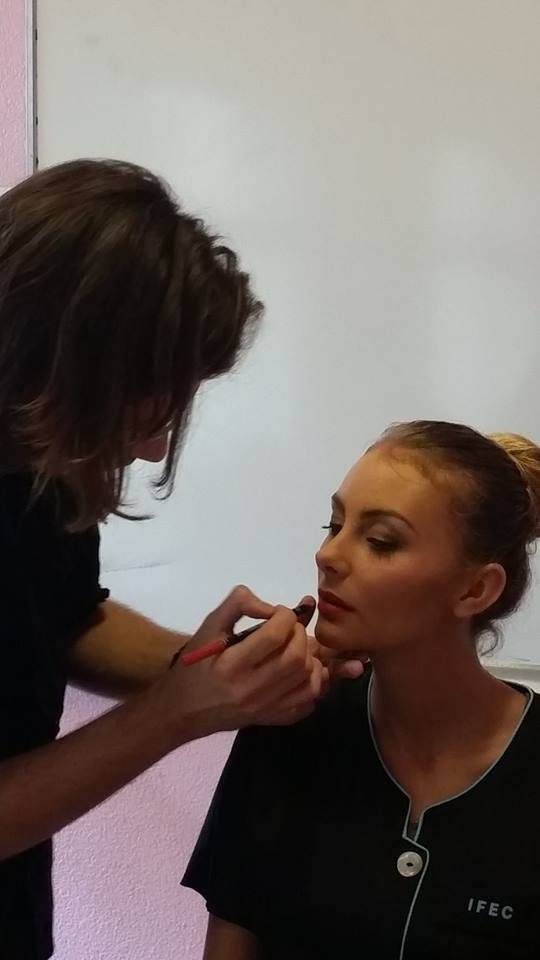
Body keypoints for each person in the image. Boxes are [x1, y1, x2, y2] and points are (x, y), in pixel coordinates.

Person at [0, 158, 349, 960]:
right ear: (49, 351)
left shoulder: (47, 457)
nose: (156, 443)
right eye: (142, 402)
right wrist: (175, 713)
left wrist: (210, 665)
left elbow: (63, 616)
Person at [184, 420, 540, 960]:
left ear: (475, 588)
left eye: (380, 541)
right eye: (334, 525)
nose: (328, 556)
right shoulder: (291, 723)